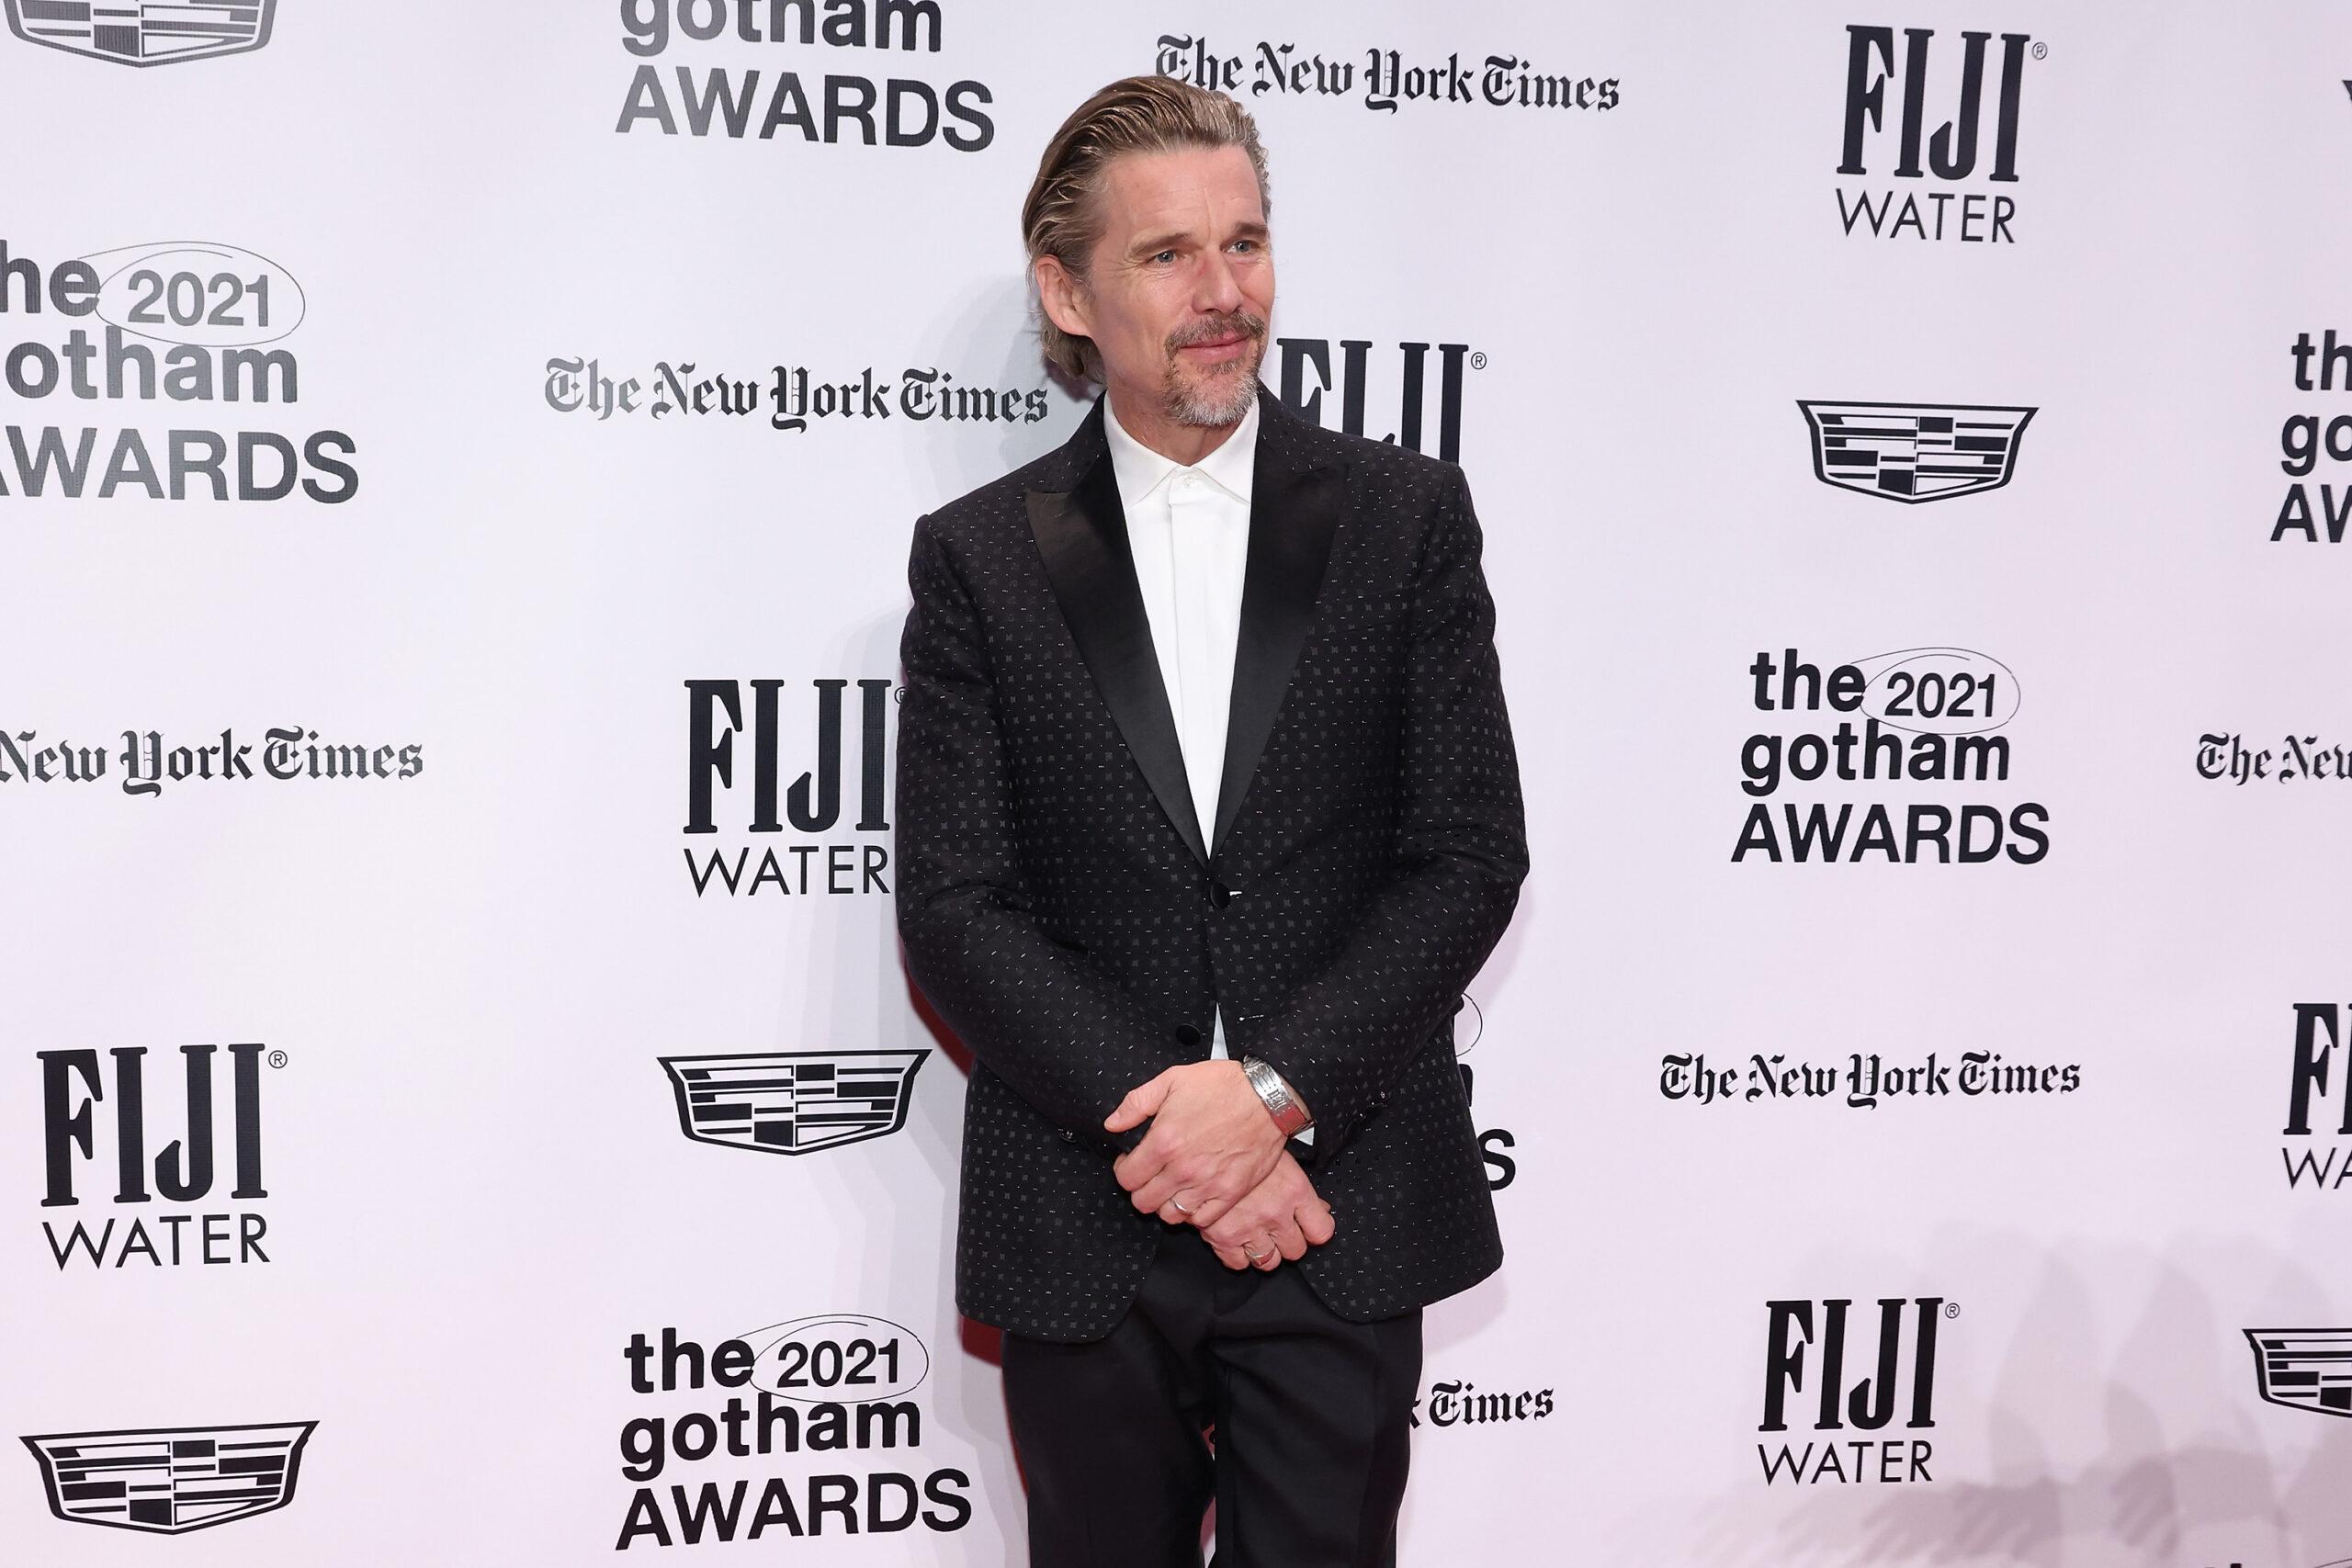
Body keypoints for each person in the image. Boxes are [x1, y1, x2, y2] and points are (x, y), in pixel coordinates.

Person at [894, 73, 1528, 1568]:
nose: (1224, 292)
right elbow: (956, 905)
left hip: (1338, 1198)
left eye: (1244, 243)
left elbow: (1467, 854)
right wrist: (1182, 1124)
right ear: (1068, 292)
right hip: (1087, 1205)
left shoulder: (1407, 517)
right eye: (1168, 254)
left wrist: (1273, 1101)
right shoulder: (977, 560)